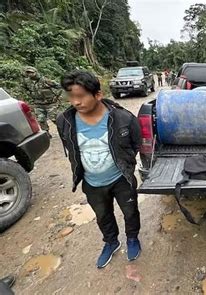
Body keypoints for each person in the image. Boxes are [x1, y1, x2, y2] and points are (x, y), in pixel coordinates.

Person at [56, 70, 142, 268]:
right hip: (92, 182)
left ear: (98, 94)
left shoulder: (123, 118)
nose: (76, 102)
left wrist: (125, 164)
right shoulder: (65, 122)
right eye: (71, 97)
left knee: (130, 212)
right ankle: (111, 242)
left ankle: (132, 239)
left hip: (122, 179)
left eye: (80, 96)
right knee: (103, 216)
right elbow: (71, 149)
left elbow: (135, 144)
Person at [22, 66, 61, 137]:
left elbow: (59, 86)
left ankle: (63, 131)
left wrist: (57, 96)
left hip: (50, 104)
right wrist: (30, 95)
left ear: (36, 72)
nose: (30, 74)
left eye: (31, 72)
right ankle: (47, 134)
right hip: (38, 104)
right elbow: (24, 88)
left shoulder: (45, 80)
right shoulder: (27, 81)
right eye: (28, 73)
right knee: (41, 120)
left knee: (54, 119)